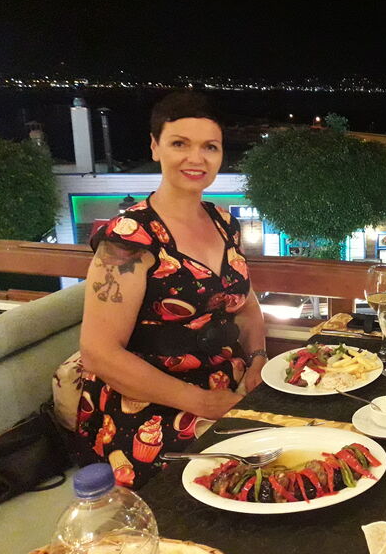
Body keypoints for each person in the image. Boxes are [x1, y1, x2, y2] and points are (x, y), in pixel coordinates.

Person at [74, 92, 268, 489]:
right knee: (223, 491)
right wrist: (203, 403)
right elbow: (98, 352)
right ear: (155, 146)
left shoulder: (224, 223)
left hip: (226, 390)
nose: (196, 158)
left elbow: (246, 306)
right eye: (180, 143)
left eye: (209, 147)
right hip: (150, 409)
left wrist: (258, 360)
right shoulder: (129, 238)